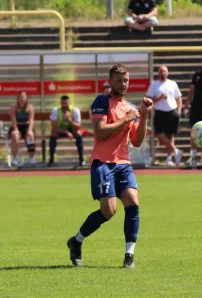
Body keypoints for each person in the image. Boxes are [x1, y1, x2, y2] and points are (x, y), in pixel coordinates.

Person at [67, 64, 153, 269]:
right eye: (119, 81)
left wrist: (144, 115)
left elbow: (137, 141)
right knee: (109, 211)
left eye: (126, 81)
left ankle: (129, 255)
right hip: (103, 163)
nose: (123, 84)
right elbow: (100, 132)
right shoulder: (102, 101)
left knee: (133, 202)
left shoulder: (131, 108)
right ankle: (76, 240)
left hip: (123, 163)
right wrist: (126, 119)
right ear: (110, 82)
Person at [146, 66, 183, 166]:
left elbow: (178, 97)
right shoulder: (154, 84)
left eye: (164, 71)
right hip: (159, 112)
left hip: (172, 111)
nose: (162, 73)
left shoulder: (172, 84)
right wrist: (160, 98)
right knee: (160, 136)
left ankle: (169, 158)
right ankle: (176, 151)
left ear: (168, 72)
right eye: (161, 71)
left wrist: (179, 110)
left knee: (170, 136)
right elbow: (148, 100)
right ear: (158, 73)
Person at [48, 95, 86, 167]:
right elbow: (54, 127)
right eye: (63, 103)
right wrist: (66, 132)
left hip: (72, 129)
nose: (65, 105)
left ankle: (81, 159)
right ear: (60, 103)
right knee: (53, 134)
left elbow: (78, 126)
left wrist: (69, 120)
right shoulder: (56, 111)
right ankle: (51, 159)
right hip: (60, 129)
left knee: (78, 133)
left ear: (70, 103)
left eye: (66, 103)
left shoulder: (75, 110)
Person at [9, 91, 36, 166]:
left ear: (26, 98)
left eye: (23, 97)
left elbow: (31, 120)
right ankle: (14, 158)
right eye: (20, 97)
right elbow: (13, 119)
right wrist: (16, 129)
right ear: (17, 98)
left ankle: (31, 158)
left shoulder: (30, 107)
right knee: (14, 135)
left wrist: (30, 130)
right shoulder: (13, 107)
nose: (22, 99)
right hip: (17, 126)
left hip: (27, 126)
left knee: (30, 136)